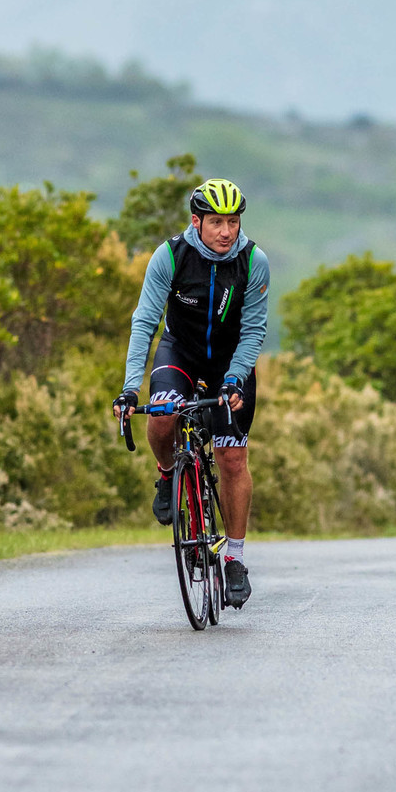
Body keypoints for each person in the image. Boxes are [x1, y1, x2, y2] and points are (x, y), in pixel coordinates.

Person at [114, 179, 269, 608]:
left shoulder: (253, 261)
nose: (226, 232)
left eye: (233, 222)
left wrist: (234, 379)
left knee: (232, 458)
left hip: (231, 363)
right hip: (179, 352)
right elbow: (144, 323)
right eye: (216, 222)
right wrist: (130, 388)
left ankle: (235, 558)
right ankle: (168, 474)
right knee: (162, 414)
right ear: (196, 221)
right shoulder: (169, 256)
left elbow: (254, 330)